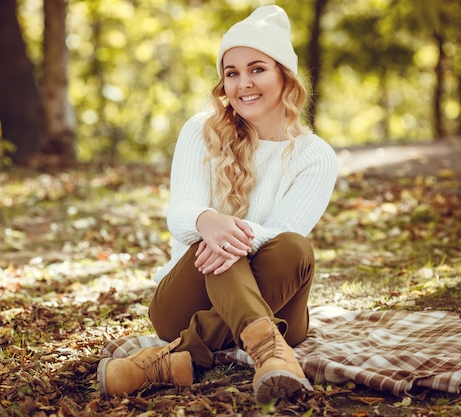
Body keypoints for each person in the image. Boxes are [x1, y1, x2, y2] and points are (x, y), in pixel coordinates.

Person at [97, 5, 338, 405]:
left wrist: (224, 233)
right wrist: (207, 221)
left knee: (294, 247)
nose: (243, 83)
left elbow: (280, 237)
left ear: (284, 75)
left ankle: (177, 359)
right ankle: (270, 353)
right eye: (232, 73)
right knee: (218, 246)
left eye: (257, 68)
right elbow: (180, 216)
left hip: (276, 303)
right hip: (183, 303)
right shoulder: (200, 131)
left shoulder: (315, 156)